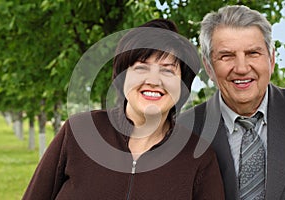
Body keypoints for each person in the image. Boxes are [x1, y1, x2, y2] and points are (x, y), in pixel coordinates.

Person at [23, 19, 224, 199]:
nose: (153, 81)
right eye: (141, 67)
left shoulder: (199, 157)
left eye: (167, 70)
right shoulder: (78, 131)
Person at [178, 5, 285, 200]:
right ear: (208, 66)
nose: (241, 68)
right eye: (227, 56)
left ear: (272, 60)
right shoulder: (182, 132)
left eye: (252, 53)